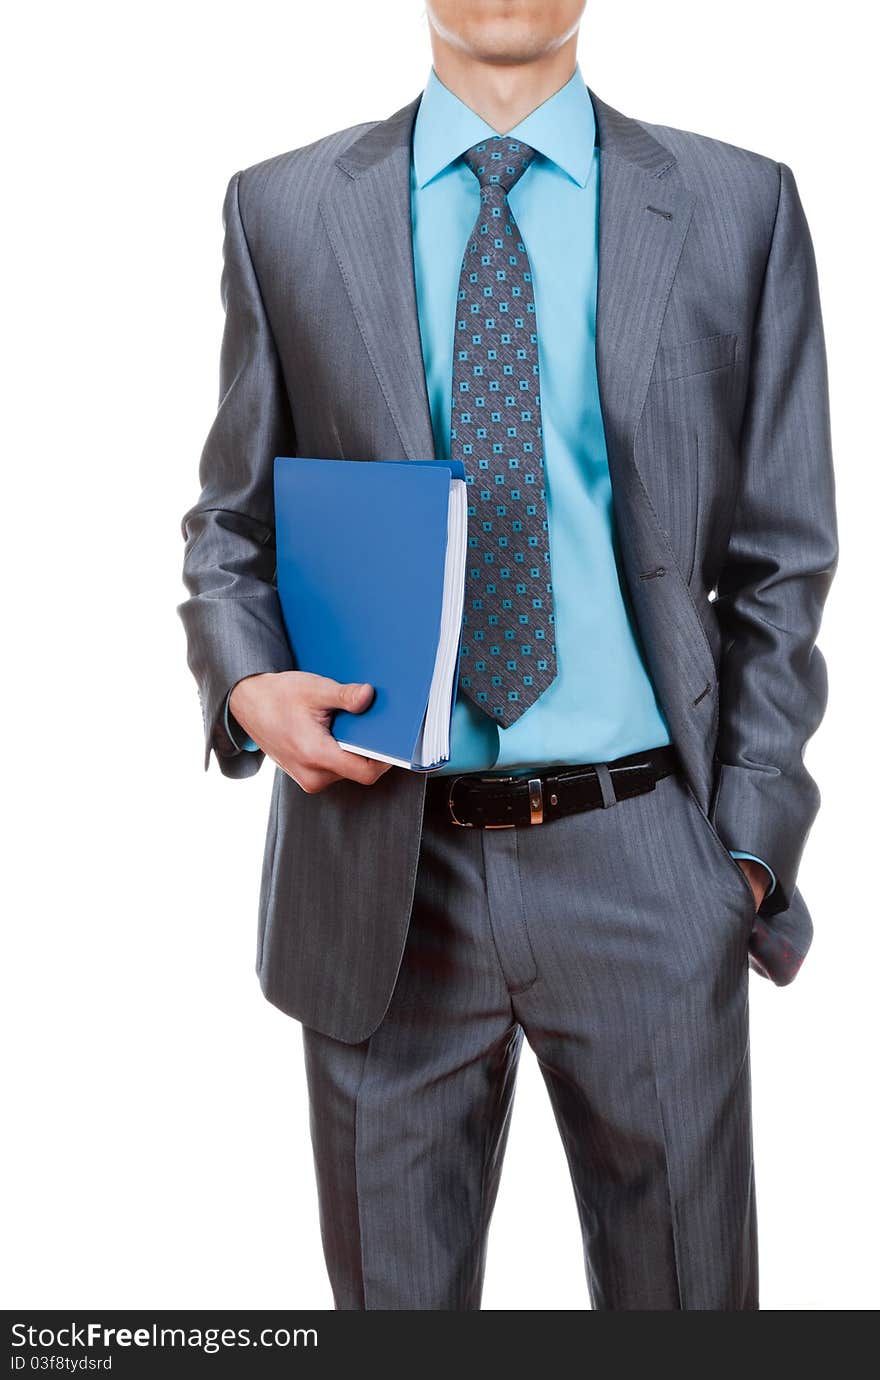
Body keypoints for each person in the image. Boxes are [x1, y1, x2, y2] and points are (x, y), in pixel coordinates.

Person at [177, 0, 837, 1310]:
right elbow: (228, 526)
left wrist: (746, 854)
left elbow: (781, 558)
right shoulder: (286, 208)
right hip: (381, 868)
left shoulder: (736, 206)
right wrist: (247, 682)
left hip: (649, 859)